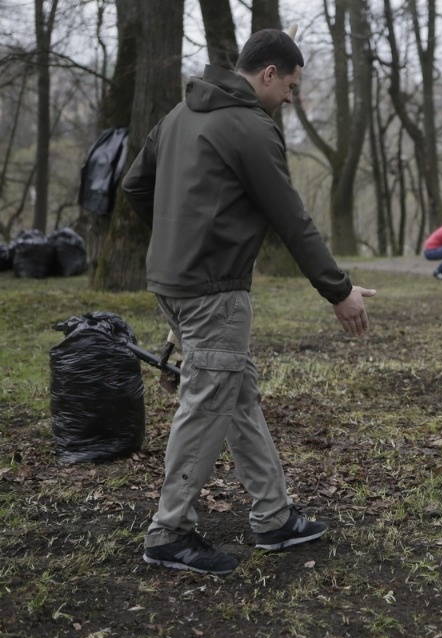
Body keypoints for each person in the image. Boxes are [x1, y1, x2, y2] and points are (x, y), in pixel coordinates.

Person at [122, 28, 376, 575]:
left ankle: (273, 517)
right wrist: (339, 291)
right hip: (213, 289)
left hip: (171, 281)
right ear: (267, 74)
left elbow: (135, 186)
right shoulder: (249, 127)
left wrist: (175, 239)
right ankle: (168, 533)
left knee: (235, 392)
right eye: (289, 84)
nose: (290, 96)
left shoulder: (178, 115)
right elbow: (291, 218)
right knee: (208, 402)